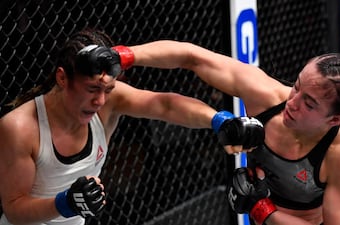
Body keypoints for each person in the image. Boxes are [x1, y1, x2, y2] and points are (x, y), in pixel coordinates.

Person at [0, 29, 265, 225]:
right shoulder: (21, 127)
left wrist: (219, 120)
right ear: (61, 78)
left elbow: (165, 105)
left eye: (108, 89)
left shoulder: (107, 102)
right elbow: (14, 209)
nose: (100, 100)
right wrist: (66, 203)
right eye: (92, 89)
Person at [124, 40, 340, 225]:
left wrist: (262, 209)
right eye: (296, 87)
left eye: (309, 104)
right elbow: (191, 57)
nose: (292, 103)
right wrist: (123, 55)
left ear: (335, 119)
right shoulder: (267, 98)